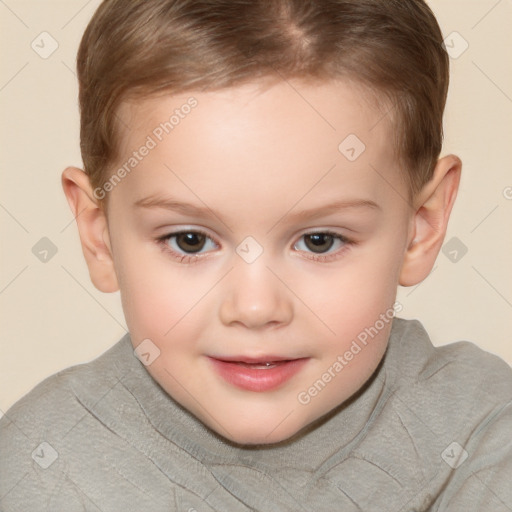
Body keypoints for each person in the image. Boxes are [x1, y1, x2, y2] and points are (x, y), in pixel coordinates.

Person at [1, 0, 511, 510]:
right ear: (100, 235)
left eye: (320, 241)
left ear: (421, 227)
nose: (255, 307)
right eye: (190, 241)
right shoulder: (41, 466)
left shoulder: (483, 434)